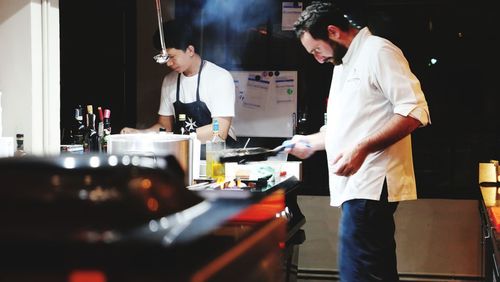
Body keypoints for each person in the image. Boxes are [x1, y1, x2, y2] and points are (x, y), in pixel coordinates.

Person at [287, 2, 430, 281]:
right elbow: (344, 129)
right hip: (357, 188)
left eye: (317, 49)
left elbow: (415, 112)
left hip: (372, 185)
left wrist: (362, 149)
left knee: (358, 274)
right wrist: (309, 142)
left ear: (333, 32)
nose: (317, 58)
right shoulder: (342, 64)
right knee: (374, 272)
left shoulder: (378, 51)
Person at [121, 20, 236, 144]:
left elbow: (219, 131)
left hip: (216, 154)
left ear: (190, 50)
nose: (168, 63)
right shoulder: (169, 81)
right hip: (184, 151)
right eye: (165, 58)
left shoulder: (219, 77)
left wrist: (181, 137)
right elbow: (165, 127)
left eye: (172, 57)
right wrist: (140, 134)